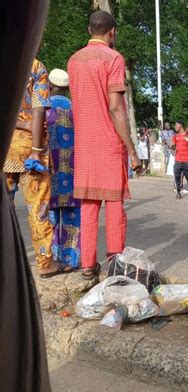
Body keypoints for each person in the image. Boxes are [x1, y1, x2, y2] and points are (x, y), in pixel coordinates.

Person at [68, 10, 141, 279]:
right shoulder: (114, 58)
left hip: (84, 144)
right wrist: (132, 149)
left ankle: (88, 265)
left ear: (90, 30)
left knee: (88, 206)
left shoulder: (74, 60)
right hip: (108, 142)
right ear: (112, 32)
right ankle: (115, 264)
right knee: (113, 204)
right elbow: (116, 108)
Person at [3, 59, 66, 278]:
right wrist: (37, 150)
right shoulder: (34, 66)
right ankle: (45, 263)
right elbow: (38, 112)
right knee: (38, 208)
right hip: (29, 147)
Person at [46, 68, 81, 270]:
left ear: (50, 86)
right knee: (71, 220)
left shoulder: (44, 108)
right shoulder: (75, 108)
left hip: (50, 172)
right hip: (72, 172)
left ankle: (51, 259)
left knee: (49, 217)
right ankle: (70, 261)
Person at [172, 120, 188, 200]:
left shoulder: (186, 135)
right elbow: (174, 147)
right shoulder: (175, 136)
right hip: (178, 160)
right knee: (177, 177)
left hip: (186, 160)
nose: (175, 127)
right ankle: (178, 193)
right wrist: (172, 146)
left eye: (176, 125)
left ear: (181, 126)